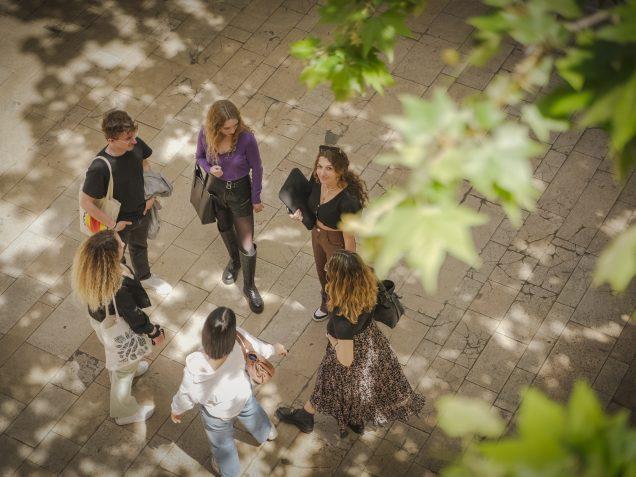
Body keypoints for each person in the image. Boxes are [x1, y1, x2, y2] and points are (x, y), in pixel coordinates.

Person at [276, 251, 425, 437]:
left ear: (340, 281)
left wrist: (331, 339)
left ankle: (306, 417)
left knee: (329, 382)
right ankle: (355, 421)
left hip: (348, 348)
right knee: (354, 386)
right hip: (370, 341)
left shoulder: (343, 316)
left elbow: (346, 360)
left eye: (329, 272)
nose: (325, 271)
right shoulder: (368, 281)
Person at [170, 307, 287, 477]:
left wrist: (177, 409)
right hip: (243, 393)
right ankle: (267, 432)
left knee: (222, 445)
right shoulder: (239, 338)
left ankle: (230, 472)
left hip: (216, 412)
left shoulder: (195, 369)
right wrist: (276, 348)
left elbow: (185, 395)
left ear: (205, 333)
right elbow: (261, 348)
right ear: (231, 332)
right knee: (252, 411)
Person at [72, 229, 166, 425]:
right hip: (118, 327)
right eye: (119, 244)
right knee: (123, 370)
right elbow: (134, 316)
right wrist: (153, 331)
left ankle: (128, 368)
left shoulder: (93, 272)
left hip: (101, 324)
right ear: (110, 257)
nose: (123, 244)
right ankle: (124, 412)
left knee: (121, 360)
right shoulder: (118, 287)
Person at [80, 109, 172, 295]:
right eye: (128, 138)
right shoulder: (99, 168)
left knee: (140, 245)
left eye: (133, 135)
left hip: (142, 211)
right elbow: (86, 202)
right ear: (111, 140)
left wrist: (150, 196)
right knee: (115, 258)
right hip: (118, 223)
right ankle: (120, 287)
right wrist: (114, 225)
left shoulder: (135, 146)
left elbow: (145, 164)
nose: (134, 141)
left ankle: (144, 277)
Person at [196, 100, 265, 313]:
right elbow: (198, 157)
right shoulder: (205, 133)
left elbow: (257, 168)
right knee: (225, 227)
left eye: (235, 125)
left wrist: (256, 197)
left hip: (240, 190)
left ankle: (249, 286)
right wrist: (209, 167)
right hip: (216, 189)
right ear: (216, 125)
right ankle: (234, 262)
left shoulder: (246, 139)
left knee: (246, 241)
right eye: (227, 127)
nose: (232, 130)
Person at [290, 145, 368, 321]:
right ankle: (327, 303)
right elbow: (307, 198)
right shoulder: (318, 181)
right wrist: (298, 212)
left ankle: (343, 312)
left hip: (336, 242)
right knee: (322, 274)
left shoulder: (348, 201)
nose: (322, 173)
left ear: (340, 171)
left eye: (329, 169)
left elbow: (349, 239)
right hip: (317, 235)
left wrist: (350, 265)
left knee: (338, 279)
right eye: (319, 166)